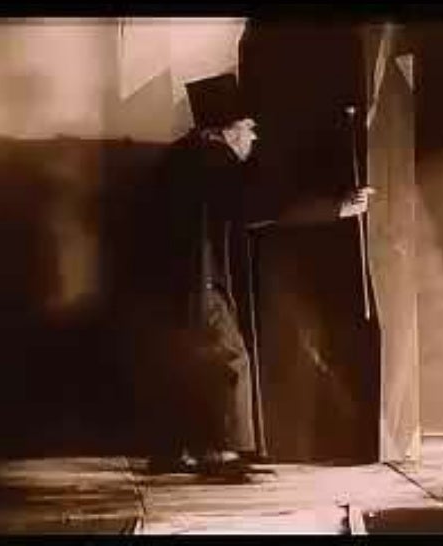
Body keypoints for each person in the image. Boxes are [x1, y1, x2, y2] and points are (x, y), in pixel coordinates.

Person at [139, 73, 372, 475]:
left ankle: (176, 449)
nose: (253, 136)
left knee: (185, 360)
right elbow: (262, 207)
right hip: (201, 279)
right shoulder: (218, 163)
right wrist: (337, 207)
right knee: (229, 358)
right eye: (248, 128)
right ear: (226, 130)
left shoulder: (180, 157)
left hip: (166, 282)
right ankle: (222, 452)